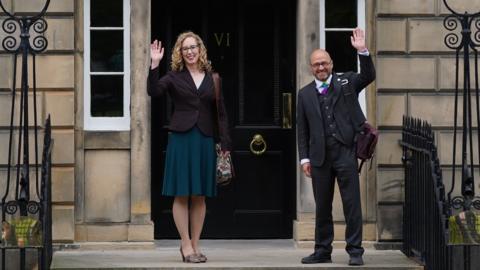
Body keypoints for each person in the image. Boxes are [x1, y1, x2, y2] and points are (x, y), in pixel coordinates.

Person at [147, 31, 231, 263]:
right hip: (182, 139)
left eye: (193, 47)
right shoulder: (173, 77)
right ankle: (185, 245)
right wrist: (154, 65)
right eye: (185, 48)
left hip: (205, 138)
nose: (190, 51)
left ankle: (196, 244)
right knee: (182, 194)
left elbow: (221, 113)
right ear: (180, 53)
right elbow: (154, 92)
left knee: (200, 195)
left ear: (200, 49)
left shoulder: (213, 78)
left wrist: (225, 143)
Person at [296, 28, 375, 266]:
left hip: (345, 152)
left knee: (352, 204)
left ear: (331, 64)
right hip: (319, 157)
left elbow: (368, 75)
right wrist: (304, 159)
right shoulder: (304, 94)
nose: (320, 68)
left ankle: (355, 251)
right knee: (322, 206)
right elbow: (302, 129)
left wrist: (362, 51)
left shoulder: (347, 82)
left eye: (324, 63)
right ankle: (322, 250)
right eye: (316, 65)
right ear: (311, 68)